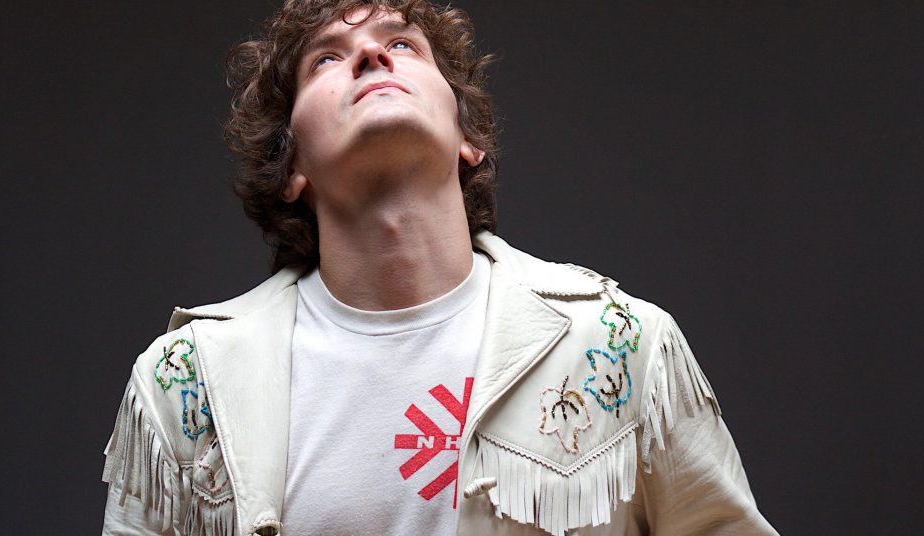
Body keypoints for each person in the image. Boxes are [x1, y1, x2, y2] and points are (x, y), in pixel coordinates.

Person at [102, 1, 777, 534]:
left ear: (467, 139)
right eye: (326, 58)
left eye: (403, 45)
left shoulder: (619, 343)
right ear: (291, 167)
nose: (371, 54)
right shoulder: (187, 382)